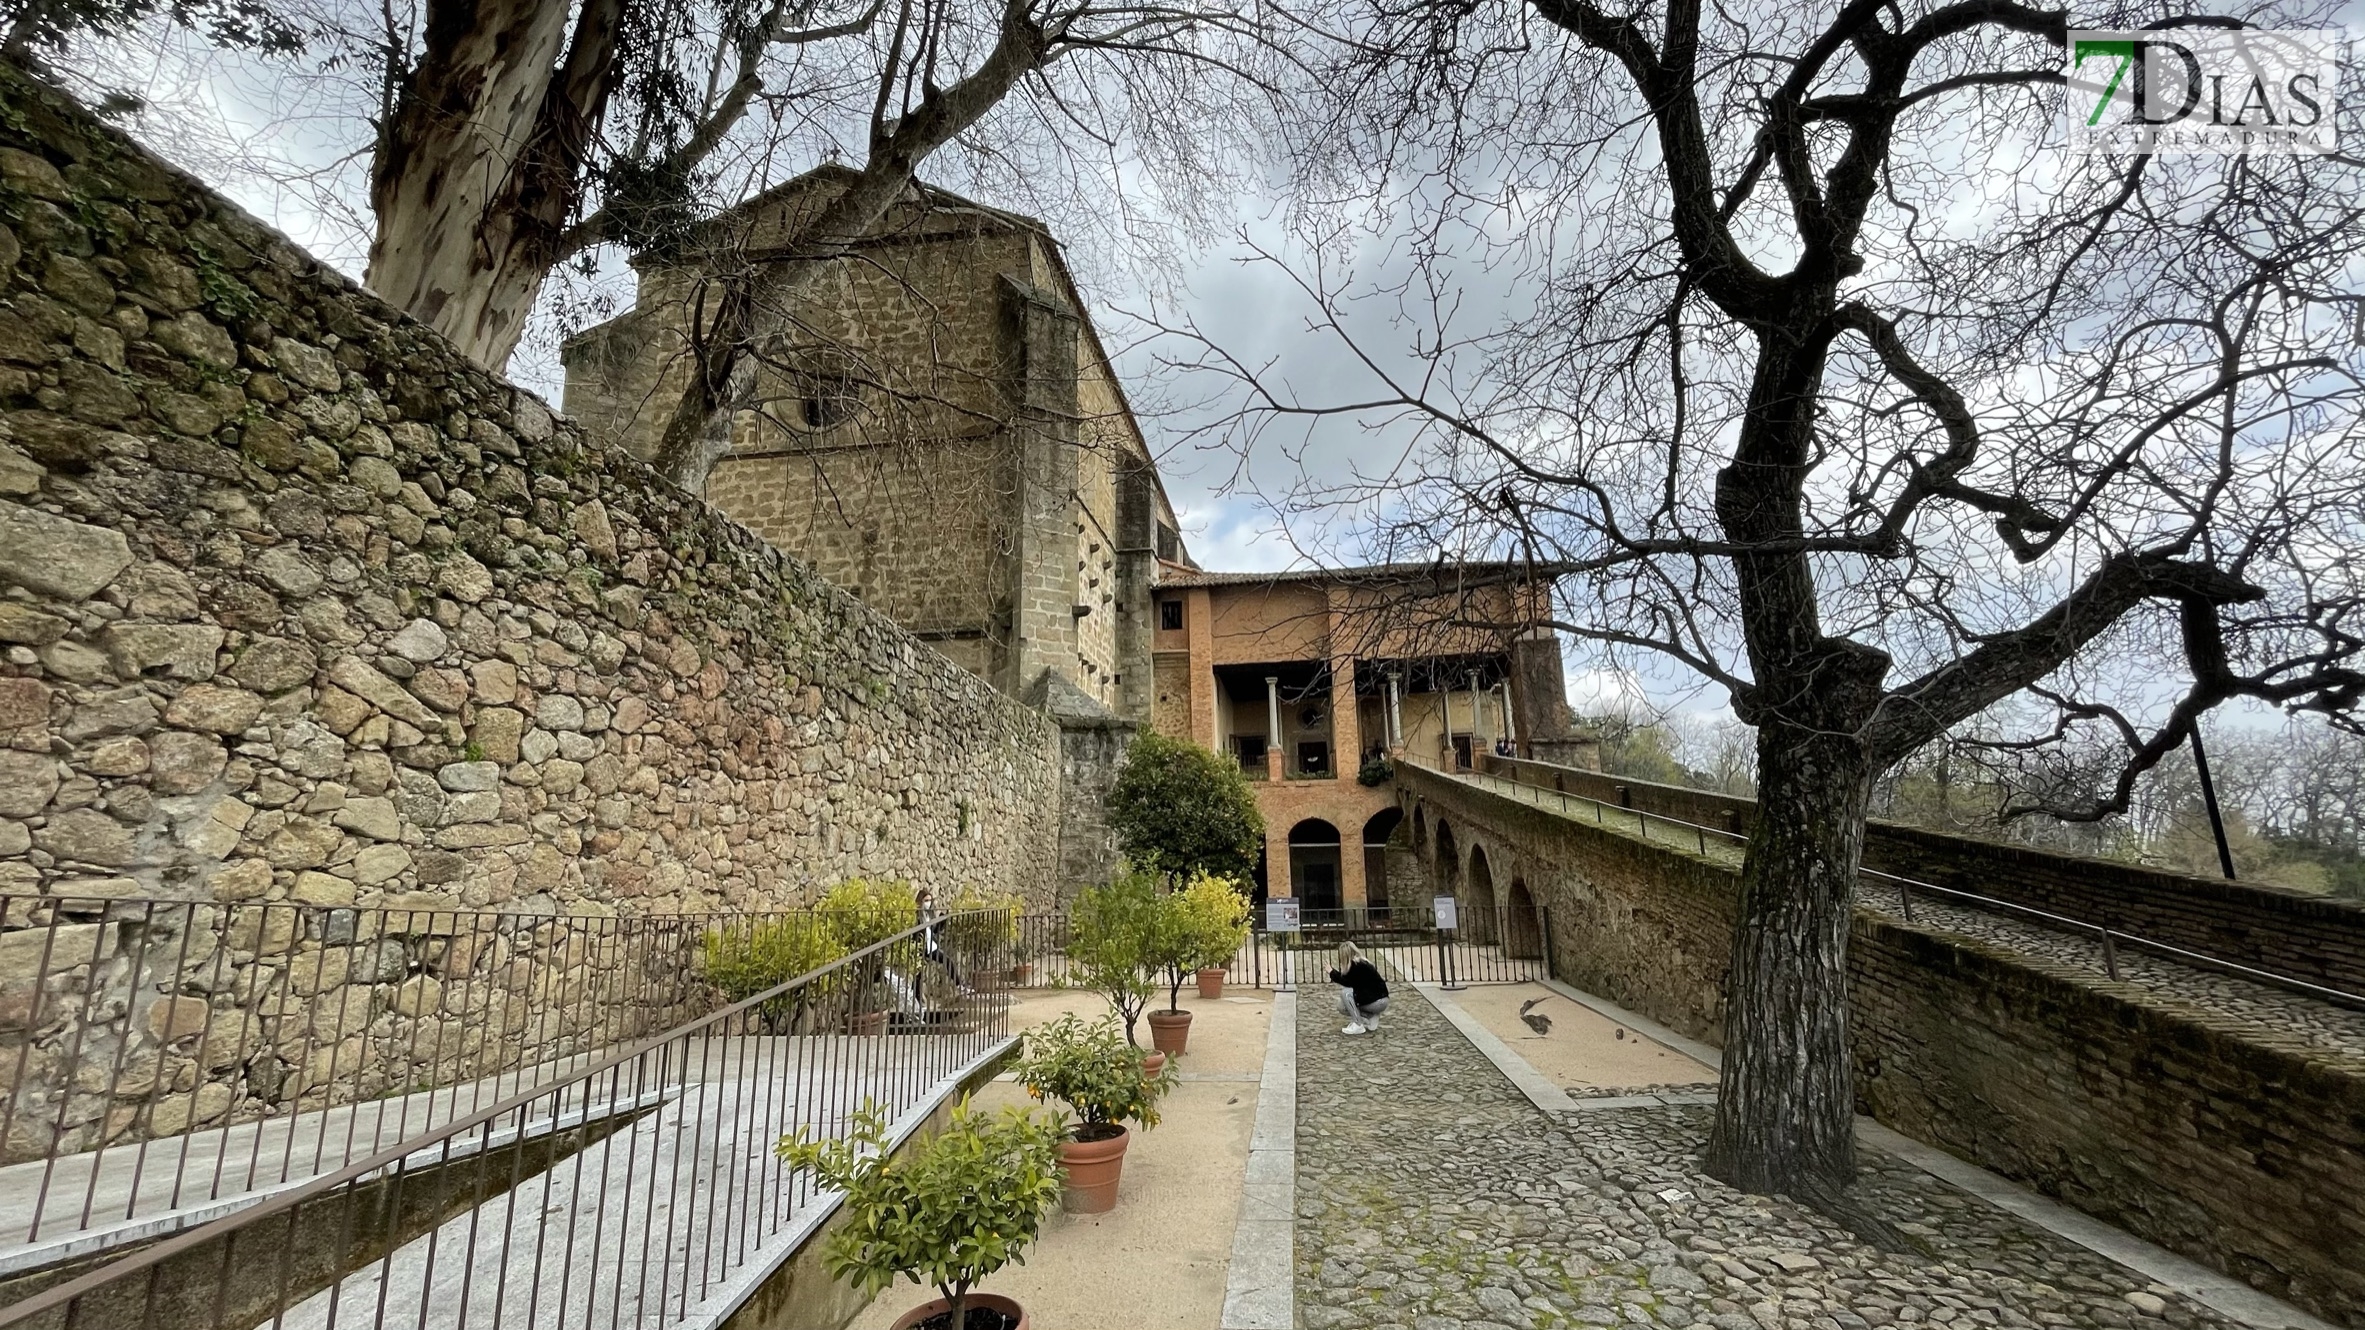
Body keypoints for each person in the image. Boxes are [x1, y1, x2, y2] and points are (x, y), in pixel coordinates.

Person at [1328, 941, 1390, 1035]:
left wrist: (1332, 972)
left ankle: (1358, 1024)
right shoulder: (1360, 964)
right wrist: (1333, 972)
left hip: (1377, 1000)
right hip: (1377, 999)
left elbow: (1348, 983)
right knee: (1342, 1006)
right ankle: (1370, 1016)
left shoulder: (1357, 966)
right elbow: (1349, 981)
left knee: (1345, 993)